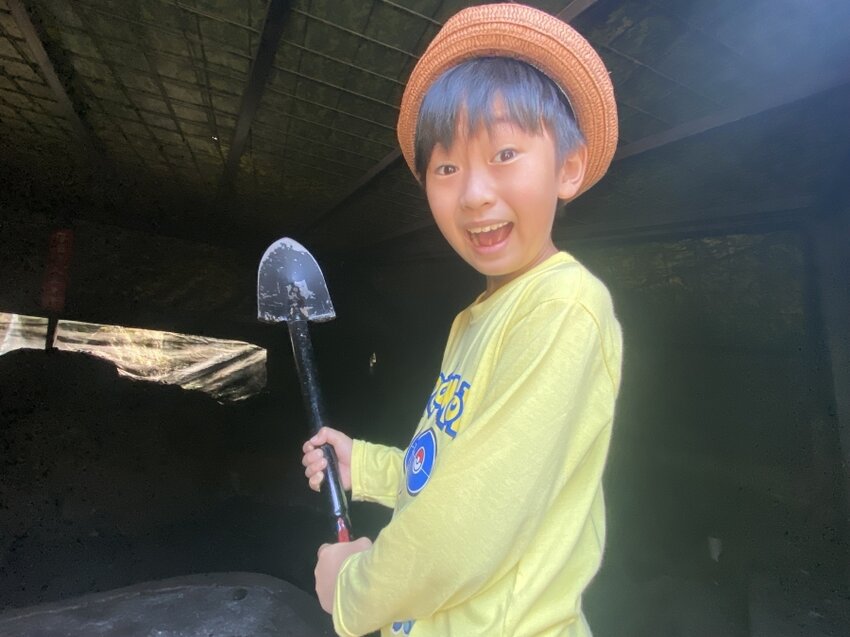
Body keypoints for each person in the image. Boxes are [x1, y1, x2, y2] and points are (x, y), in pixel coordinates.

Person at [302, 4, 622, 636]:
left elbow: (467, 521)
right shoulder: (478, 319)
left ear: (568, 167)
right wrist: (362, 466)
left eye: (504, 152)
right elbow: (448, 471)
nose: (474, 192)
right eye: (447, 168)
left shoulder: (563, 307)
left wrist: (352, 588)